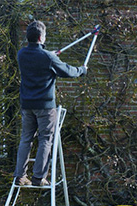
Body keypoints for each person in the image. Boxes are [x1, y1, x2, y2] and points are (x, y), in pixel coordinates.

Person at [14, 21, 86, 186]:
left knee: (26, 139)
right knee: (45, 139)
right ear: (41, 37)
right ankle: (38, 178)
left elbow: (38, 58)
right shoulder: (48, 57)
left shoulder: (21, 54)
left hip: (27, 105)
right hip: (45, 107)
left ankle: (20, 176)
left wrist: (49, 55)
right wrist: (82, 69)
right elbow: (68, 71)